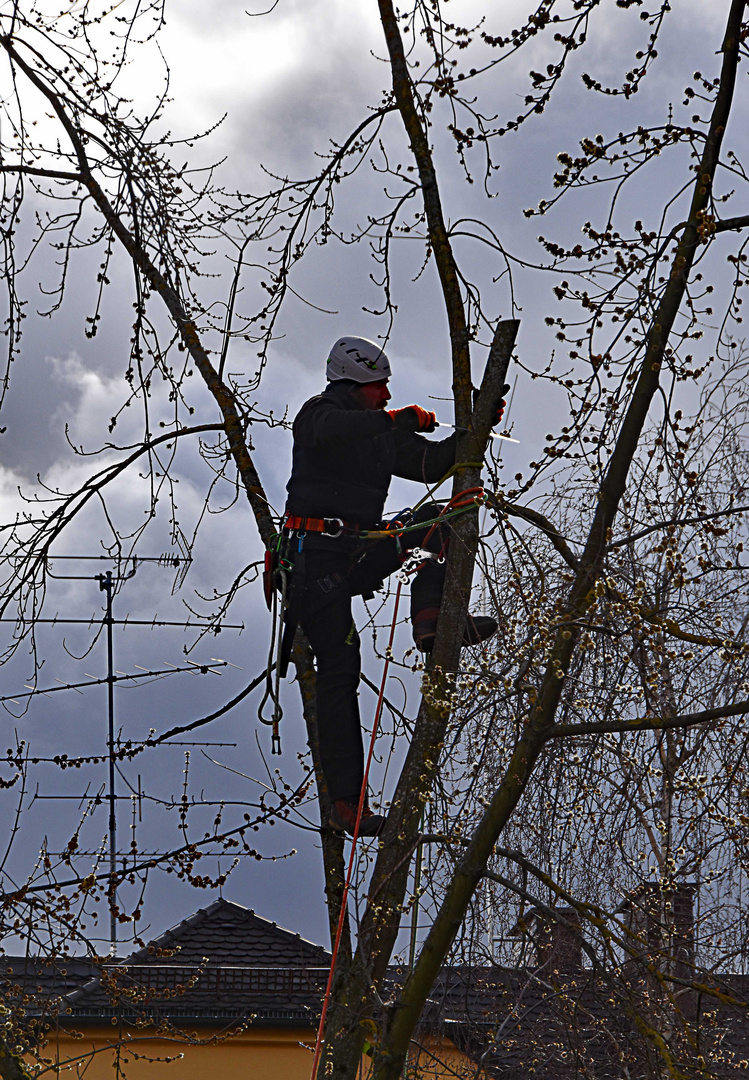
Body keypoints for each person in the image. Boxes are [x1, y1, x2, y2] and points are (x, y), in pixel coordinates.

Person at [281, 336, 504, 837]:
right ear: (354, 384)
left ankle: (431, 619)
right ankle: (346, 802)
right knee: (340, 669)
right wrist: (395, 418)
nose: (385, 395)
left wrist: (481, 425)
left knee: (445, 519)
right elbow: (335, 431)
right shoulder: (319, 414)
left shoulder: (380, 433)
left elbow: (435, 462)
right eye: (378, 388)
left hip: (358, 551)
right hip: (315, 561)